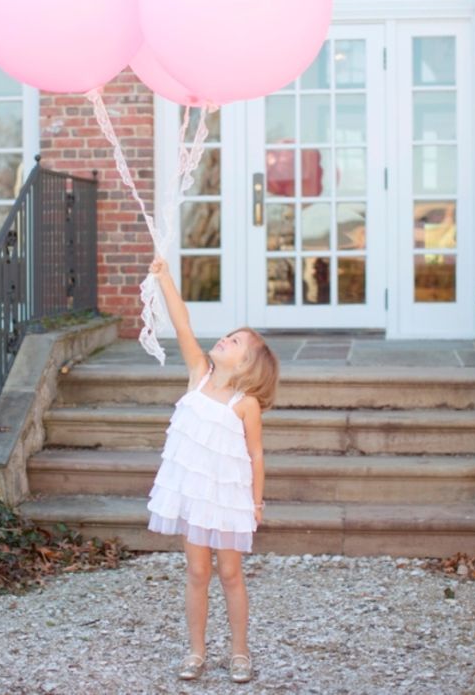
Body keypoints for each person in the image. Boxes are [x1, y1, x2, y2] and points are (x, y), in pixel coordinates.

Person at [147, 257, 279, 684]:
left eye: (235, 341)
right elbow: (183, 324)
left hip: (228, 498)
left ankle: (239, 652)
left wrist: (257, 501)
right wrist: (165, 278)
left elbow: (256, 455)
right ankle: (196, 651)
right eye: (226, 335)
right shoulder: (199, 376)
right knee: (198, 573)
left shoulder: (246, 404)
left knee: (230, 573)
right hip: (194, 495)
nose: (224, 340)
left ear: (247, 365)